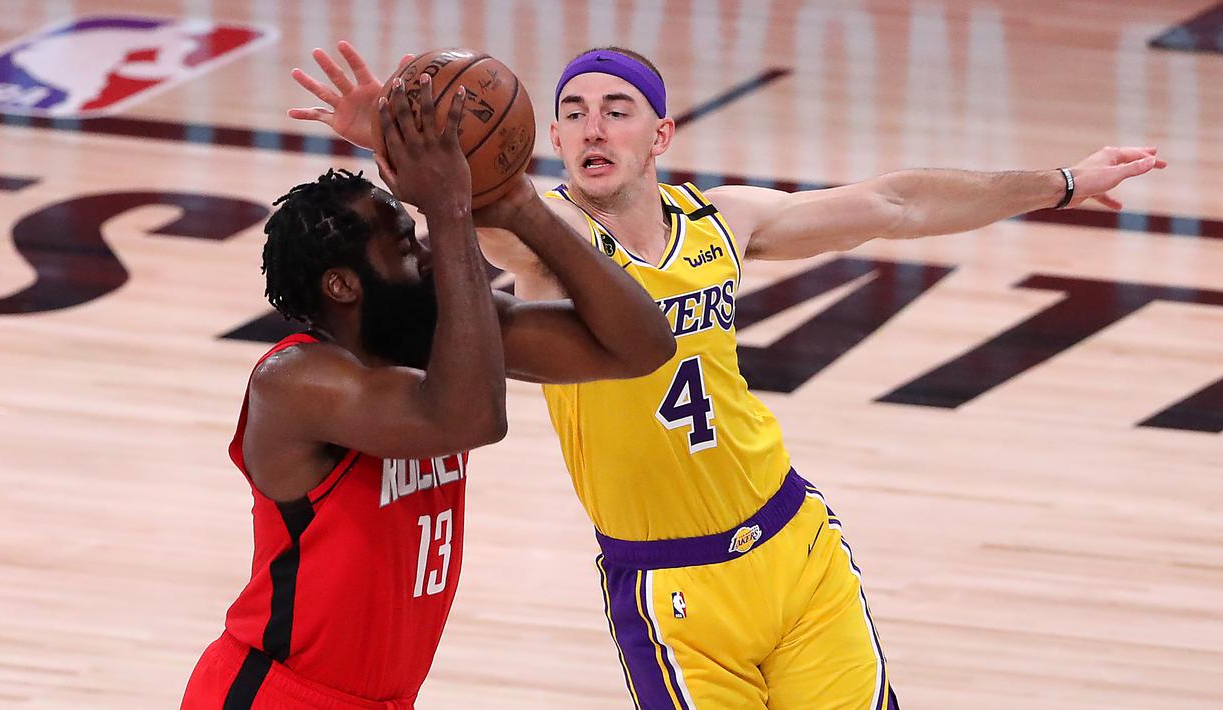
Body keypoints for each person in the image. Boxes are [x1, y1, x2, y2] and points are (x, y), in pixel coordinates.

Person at [289, 43, 1165, 709]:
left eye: (618, 110)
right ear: (546, 139)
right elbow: (453, 201)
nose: (594, 128)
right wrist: (390, 140)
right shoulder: (541, 236)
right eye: (574, 113)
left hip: (794, 548)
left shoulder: (724, 221)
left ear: (659, 135)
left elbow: (897, 203)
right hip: (670, 589)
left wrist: (1059, 182)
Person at [182, 74, 674, 709]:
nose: (426, 254)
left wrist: (518, 204)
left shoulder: (435, 334)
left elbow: (644, 346)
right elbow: (470, 418)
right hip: (278, 695)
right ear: (342, 286)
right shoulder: (295, 381)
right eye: (403, 246)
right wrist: (450, 209)